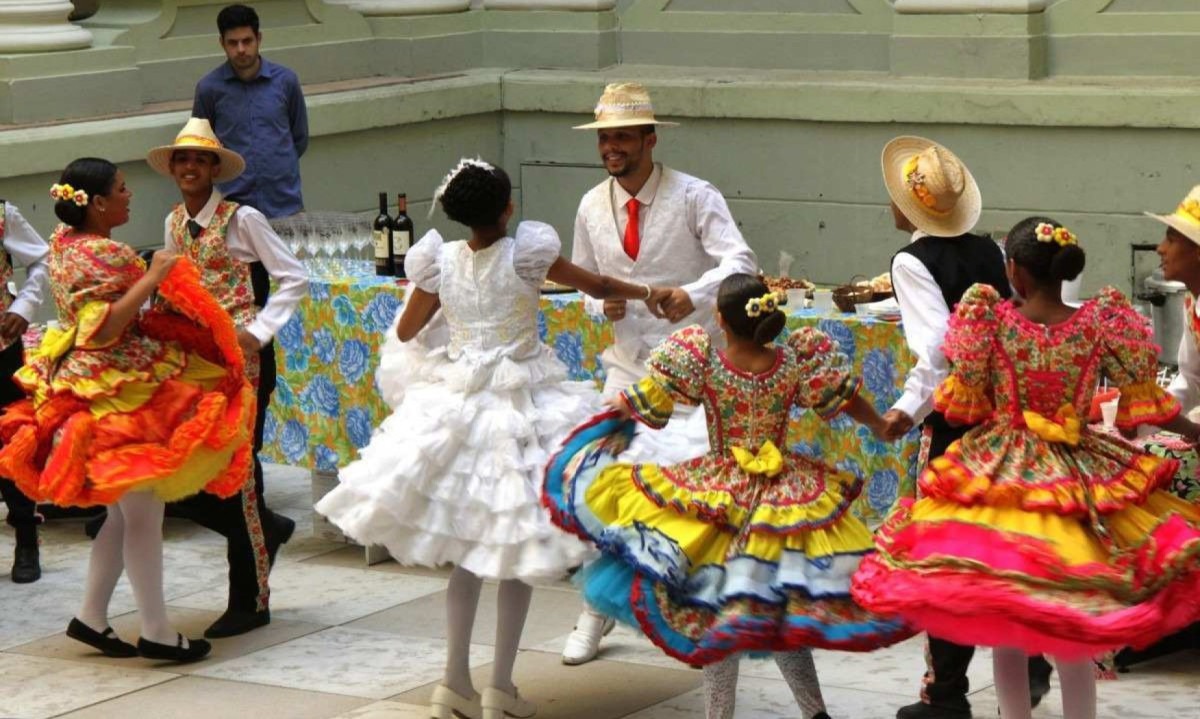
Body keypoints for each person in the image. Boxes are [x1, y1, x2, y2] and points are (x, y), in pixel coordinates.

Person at [315, 158, 674, 719]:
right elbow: (597, 284)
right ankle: (499, 688)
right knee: (515, 547)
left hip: (459, 402)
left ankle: (452, 681)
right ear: (508, 209)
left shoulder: (442, 261)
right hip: (522, 404)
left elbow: (407, 329)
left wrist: (447, 317)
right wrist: (651, 290)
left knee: (467, 552)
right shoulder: (528, 254)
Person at [852, 217, 1200, 719]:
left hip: (1002, 475)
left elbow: (963, 404)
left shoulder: (989, 323)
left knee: (1007, 627)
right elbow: (1149, 403)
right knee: (1073, 623)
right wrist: (1193, 433)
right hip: (1079, 477)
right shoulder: (1100, 322)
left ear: (1012, 270)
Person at [544, 273, 912, 719]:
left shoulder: (703, 362)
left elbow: (645, 399)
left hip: (720, 496)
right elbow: (843, 399)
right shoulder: (795, 362)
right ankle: (815, 713)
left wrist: (610, 425)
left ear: (719, 319)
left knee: (720, 617)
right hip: (785, 501)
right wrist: (878, 423)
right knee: (780, 611)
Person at [0, 158, 256, 662]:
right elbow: (106, 327)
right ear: (96, 204)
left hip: (92, 384)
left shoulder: (63, 241)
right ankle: (158, 630)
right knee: (142, 514)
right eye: (120, 189)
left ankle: (92, 617)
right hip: (118, 393)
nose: (128, 195)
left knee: (122, 516)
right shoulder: (108, 254)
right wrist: (154, 274)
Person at [564, 80, 758, 665]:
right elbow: (584, 285)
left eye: (622, 136)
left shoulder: (695, 196)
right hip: (627, 368)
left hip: (695, 372)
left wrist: (692, 294)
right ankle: (595, 611)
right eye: (604, 138)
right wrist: (603, 305)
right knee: (608, 486)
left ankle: (697, 608)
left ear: (650, 139)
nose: (611, 147)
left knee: (693, 495)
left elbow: (740, 262)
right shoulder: (591, 204)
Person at [874, 136, 1053, 719]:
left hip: (957, 423)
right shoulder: (991, 250)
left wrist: (906, 409)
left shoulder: (910, 261)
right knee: (1003, 542)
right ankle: (1029, 660)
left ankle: (946, 693)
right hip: (1007, 420)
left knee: (949, 553)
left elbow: (937, 351)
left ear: (910, 207)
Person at [143, 116, 308, 639]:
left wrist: (258, 330)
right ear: (172, 169)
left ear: (215, 168)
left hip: (242, 362)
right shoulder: (172, 222)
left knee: (239, 471)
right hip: (194, 363)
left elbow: (293, 276)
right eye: (182, 159)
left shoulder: (243, 219)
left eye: (199, 159)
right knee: (194, 470)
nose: (190, 167)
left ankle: (251, 598)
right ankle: (267, 527)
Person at [193, 3, 307, 219]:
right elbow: (201, 149)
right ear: (222, 44)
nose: (241, 49)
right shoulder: (209, 89)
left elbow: (298, 139)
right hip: (233, 213)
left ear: (259, 39)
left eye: (247, 41)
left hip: (286, 207)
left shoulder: (286, 81)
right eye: (233, 43)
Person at [0, 200, 50, 583]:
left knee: (11, 440)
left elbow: (43, 260)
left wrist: (25, 304)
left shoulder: (4, 214)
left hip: (1, 347)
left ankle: (26, 537)